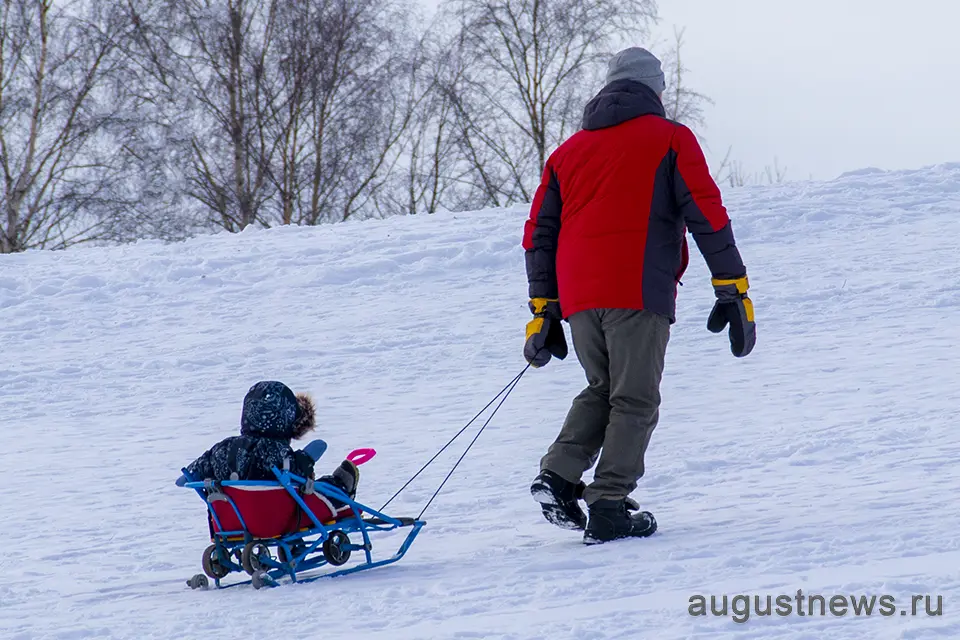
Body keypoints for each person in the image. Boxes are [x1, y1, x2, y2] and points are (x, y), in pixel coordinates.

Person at [522, 47, 756, 545]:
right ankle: (608, 504)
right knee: (635, 397)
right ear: (654, 89)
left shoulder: (566, 153)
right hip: (637, 288)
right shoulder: (671, 138)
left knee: (603, 388)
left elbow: (540, 232)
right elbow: (706, 213)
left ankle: (559, 475)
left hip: (580, 294)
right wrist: (732, 286)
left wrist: (544, 309)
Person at [183, 380, 359, 499]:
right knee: (315, 490)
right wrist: (306, 458)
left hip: (234, 519)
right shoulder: (275, 451)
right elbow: (296, 473)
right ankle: (340, 487)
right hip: (275, 517)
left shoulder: (224, 447)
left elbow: (190, 475)